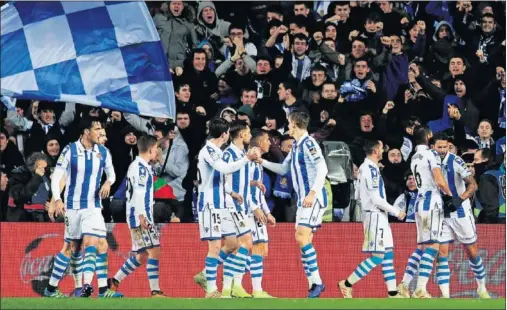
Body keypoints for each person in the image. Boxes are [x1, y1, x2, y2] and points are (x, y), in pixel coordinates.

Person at [46, 116, 122, 298]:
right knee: (71, 247)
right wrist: (57, 199)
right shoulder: (70, 150)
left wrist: (108, 183)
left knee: (95, 242)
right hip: (72, 207)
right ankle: (51, 288)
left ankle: (94, 288)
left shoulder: (103, 152)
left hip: (93, 206)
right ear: (86, 132)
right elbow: (57, 176)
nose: (100, 133)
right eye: (97, 129)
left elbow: (112, 175)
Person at [256, 111, 327, 298]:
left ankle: (318, 282)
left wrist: (312, 193)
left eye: (289, 122)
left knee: (301, 237)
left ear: (295, 123)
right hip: (304, 199)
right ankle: (313, 285)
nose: (287, 125)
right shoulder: (296, 146)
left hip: (313, 198)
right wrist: (261, 161)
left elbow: (323, 168)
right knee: (304, 241)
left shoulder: (309, 143)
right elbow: (283, 168)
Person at [194, 118, 259, 298]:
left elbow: (220, 178)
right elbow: (223, 169)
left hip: (222, 204)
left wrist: (230, 192)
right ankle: (211, 289)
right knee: (214, 246)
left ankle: (206, 275)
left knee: (232, 244)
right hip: (209, 205)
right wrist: (247, 158)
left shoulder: (216, 150)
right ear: (224, 134)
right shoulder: (208, 150)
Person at [338, 140, 406, 299]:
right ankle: (347, 283)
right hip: (375, 215)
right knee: (378, 257)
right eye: (382, 148)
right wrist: (397, 212)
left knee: (388, 255)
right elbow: (376, 199)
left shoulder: (367, 168)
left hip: (379, 216)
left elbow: (357, 195)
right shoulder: (370, 169)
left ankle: (392, 293)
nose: (383, 151)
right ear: (376, 151)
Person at [430, 133, 490, 299]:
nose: (442, 150)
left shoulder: (456, 161)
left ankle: (482, 287)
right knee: (442, 253)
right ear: (433, 146)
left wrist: (458, 200)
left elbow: (473, 185)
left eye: (445, 147)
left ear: (448, 146)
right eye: (439, 147)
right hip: (441, 213)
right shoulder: (429, 160)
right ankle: (446, 297)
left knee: (471, 251)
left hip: (460, 211)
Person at [108, 135, 166, 297]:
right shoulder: (140, 168)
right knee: (155, 251)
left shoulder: (140, 166)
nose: (157, 151)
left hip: (138, 215)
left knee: (142, 255)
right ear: (150, 149)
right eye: (155, 148)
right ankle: (155, 291)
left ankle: (115, 281)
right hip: (140, 216)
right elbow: (139, 193)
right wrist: (142, 216)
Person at [405, 126, 456, 298]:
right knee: (433, 246)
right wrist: (449, 196)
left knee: (424, 246)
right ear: (429, 136)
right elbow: (439, 179)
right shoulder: (430, 154)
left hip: (419, 203)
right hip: (431, 201)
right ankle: (420, 288)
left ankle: (405, 284)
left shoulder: (414, 156)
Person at [237, 129, 276, 298]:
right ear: (260, 143)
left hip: (257, 211)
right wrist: (255, 208)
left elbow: (258, 193)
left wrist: (267, 212)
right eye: (267, 140)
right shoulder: (248, 162)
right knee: (251, 249)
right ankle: (237, 284)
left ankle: (249, 287)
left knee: (261, 250)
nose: (270, 143)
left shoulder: (258, 163)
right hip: (247, 211)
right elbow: (242, 188)